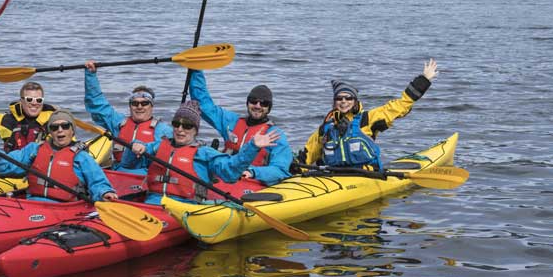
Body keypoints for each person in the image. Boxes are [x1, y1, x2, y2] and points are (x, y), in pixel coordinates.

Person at [127, 100, 280, 205]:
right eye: (176, 124)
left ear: (195, 130)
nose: (180, 129)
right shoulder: (158, 146)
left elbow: (231, 171)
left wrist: (252, 146)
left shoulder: (205, 153)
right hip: (152, 203)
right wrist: (135, 146)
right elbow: (128, 164)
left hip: (185, 208)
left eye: (187, 126)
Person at [299, 59, 440, 171]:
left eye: (348, 98)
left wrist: (424, 79)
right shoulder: (326, 128)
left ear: (355, 101)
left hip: (364, 176)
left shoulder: (368, 119)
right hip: (331, 176)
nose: (343, 102)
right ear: (334, 102)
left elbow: (399, 106)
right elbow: (307, 154)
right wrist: (293, 169)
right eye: (339, 98)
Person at [0, 110, 119, 202]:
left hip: (62, 208)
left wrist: (104, 193)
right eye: (54, 127)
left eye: (65, 126)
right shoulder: (34, 149)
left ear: (72, 131)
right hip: (32, 204)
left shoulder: (82, 157)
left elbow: (97, 182)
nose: (60, 130)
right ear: (50, 132)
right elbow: (6, 166)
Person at [187, 69, 293, 186]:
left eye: (263, 103)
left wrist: (252, 172)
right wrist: (196, 71)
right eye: (253, 101)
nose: (257, 106)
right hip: (224, 177)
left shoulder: (275, 135)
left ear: (269, 108)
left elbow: (280, 170)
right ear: (247, 103)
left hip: (252, 182)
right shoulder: (232, 121)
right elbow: (204, 105)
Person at [83, 59, 173, 169]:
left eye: (144, 103)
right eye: (135, 103)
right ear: (130, 106)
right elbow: (96, 104)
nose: (139, 107)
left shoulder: (163, 130)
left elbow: (173, 150)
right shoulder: (118, 122)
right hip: (118, 171)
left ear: (151, 106)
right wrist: (91, 75)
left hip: (145, 175)